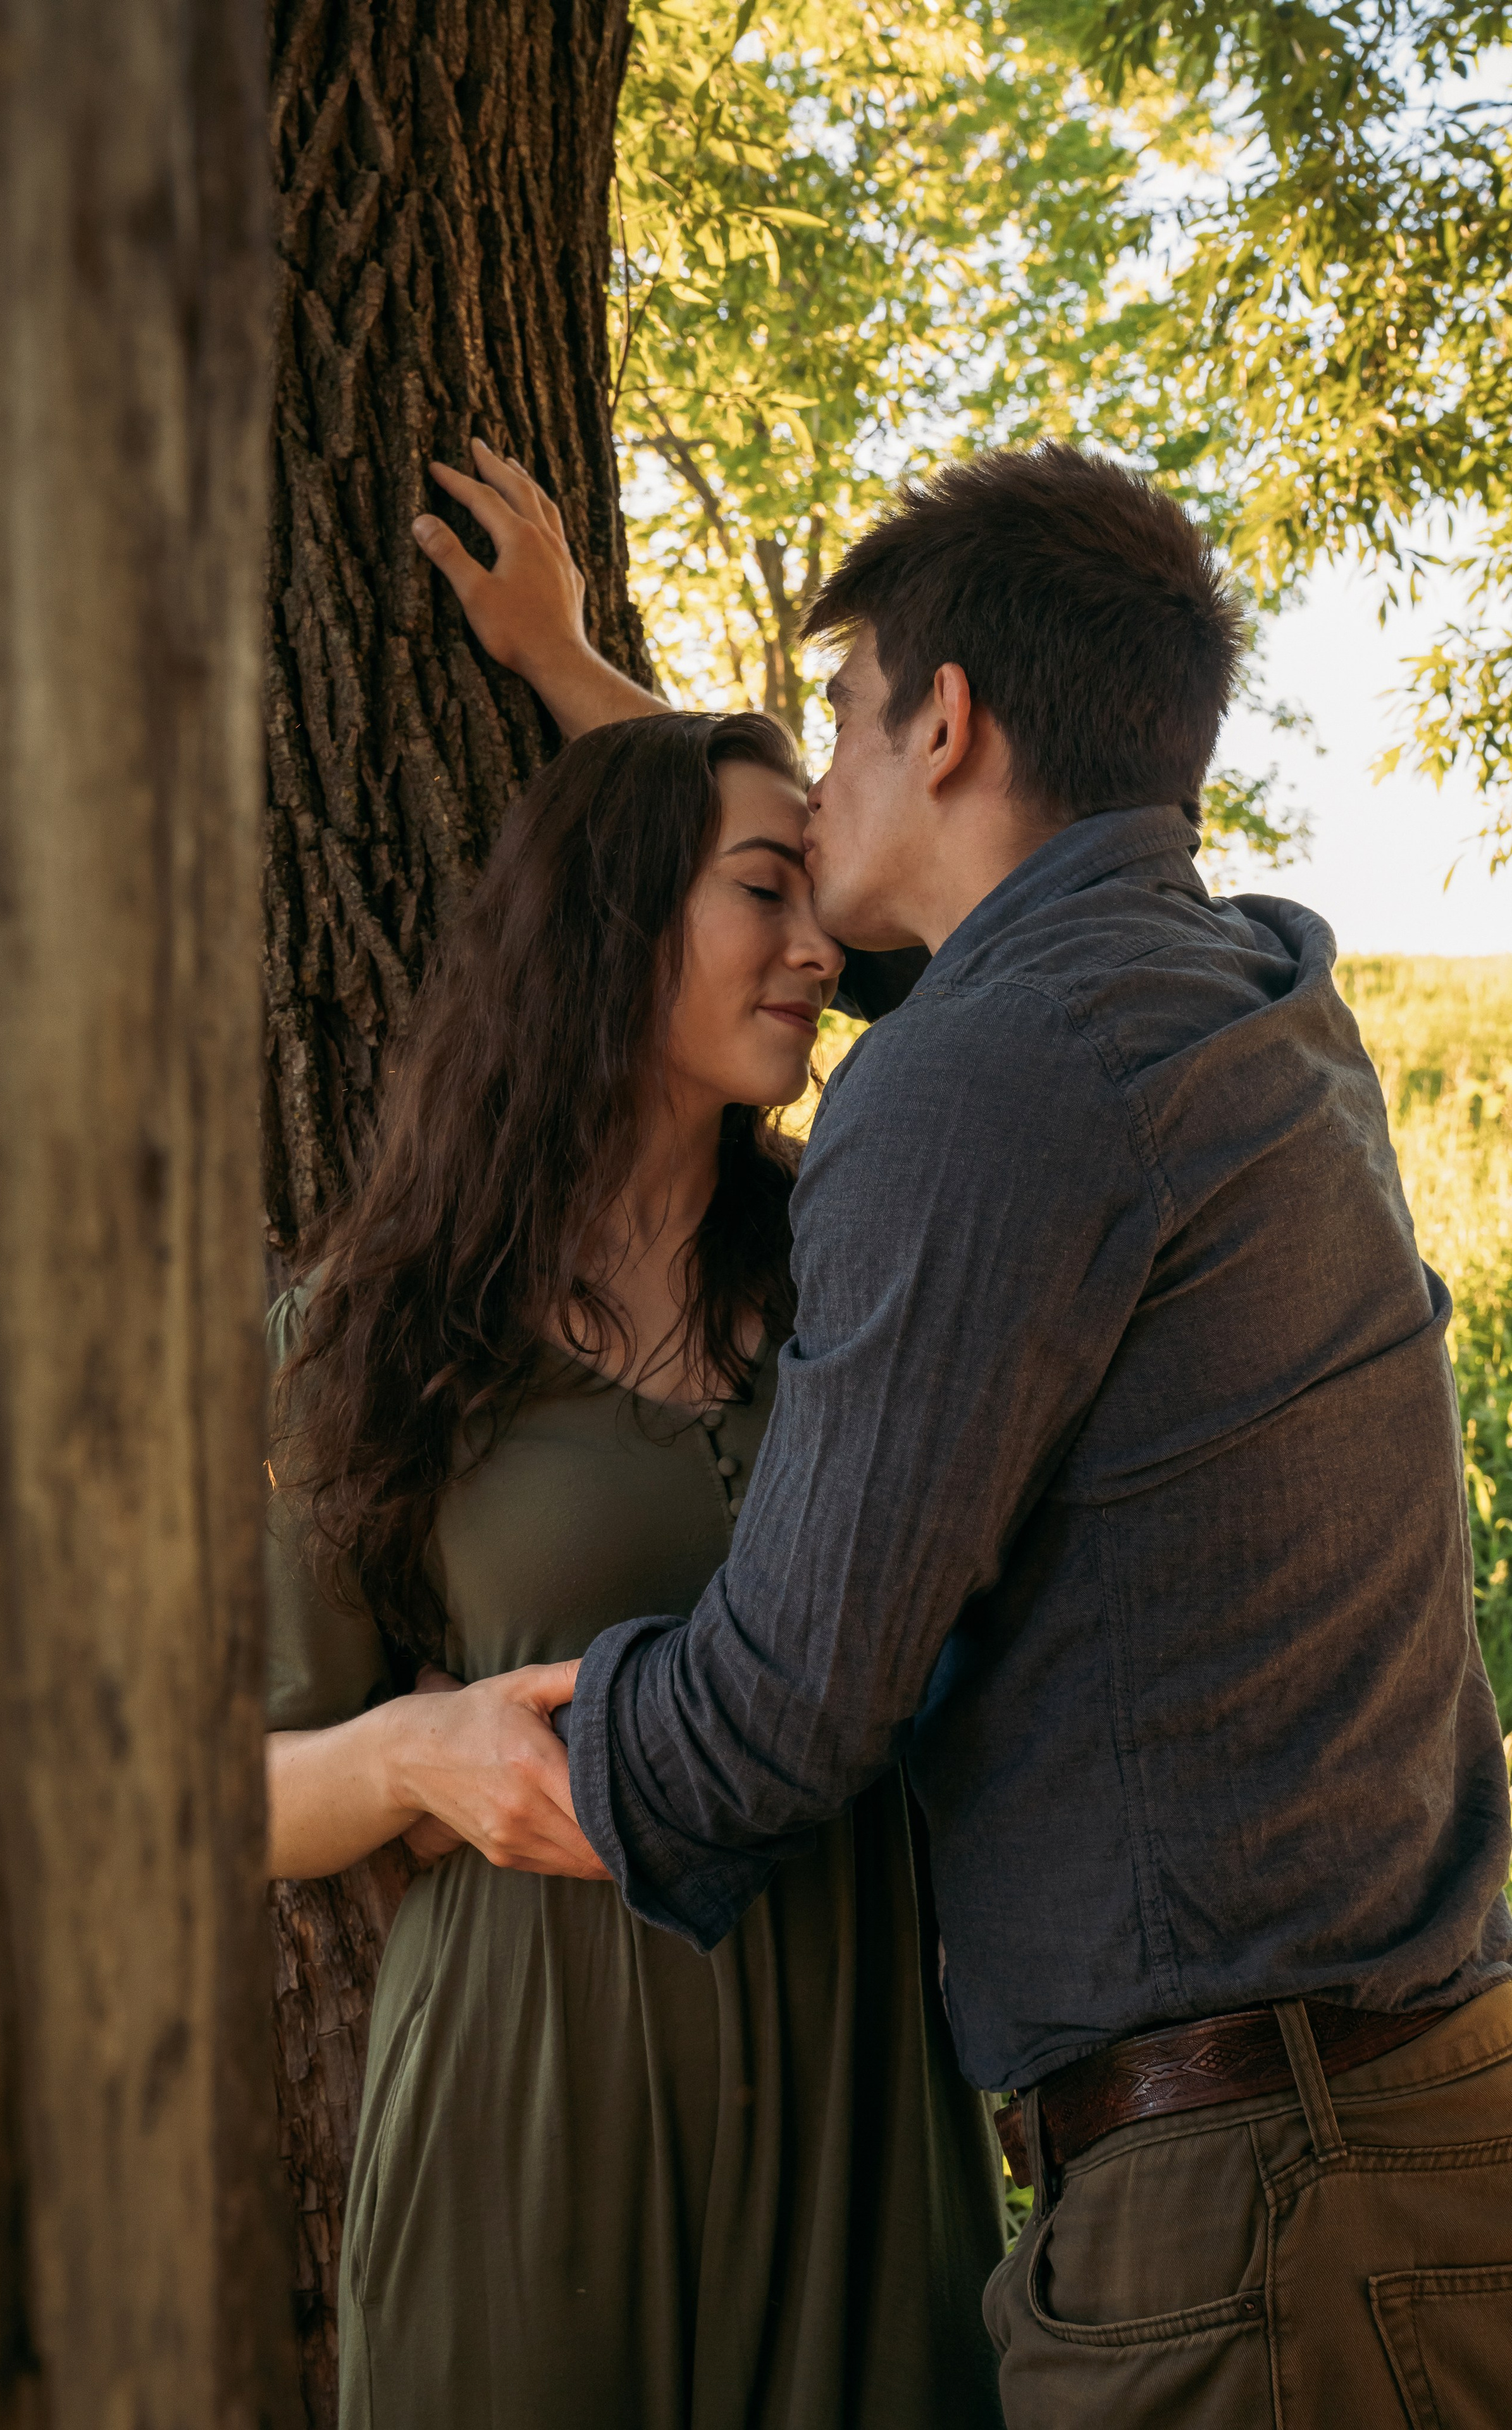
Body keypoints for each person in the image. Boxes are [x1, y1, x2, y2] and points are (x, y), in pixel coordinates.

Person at [406, 437, 1512, 2429]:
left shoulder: (990, 1084)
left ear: (945, 718)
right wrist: (588, 688)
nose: (816, 777)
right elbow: (892, 935)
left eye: (837, 718)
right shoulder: (1242, 984)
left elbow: (782, 1717)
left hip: (1256, 2221)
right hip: (1412, 2131)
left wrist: (435, 1754)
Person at [262, 705, 1007, 2430]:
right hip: (526, 2125)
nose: (821, 951)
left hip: (864, 2106)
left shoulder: (864, 1269)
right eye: (768, 893)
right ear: (610, 917)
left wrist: (573, 661)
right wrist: (404, 1753)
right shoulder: (366, 1332)